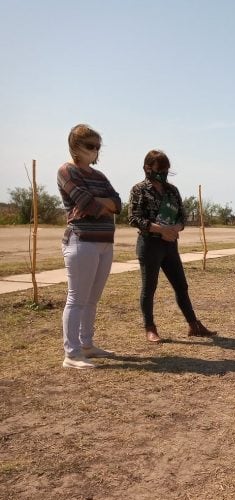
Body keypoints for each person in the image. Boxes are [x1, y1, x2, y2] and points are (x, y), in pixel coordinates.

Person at [128, 150, 216, 343]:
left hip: (170, 245)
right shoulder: (139, 190)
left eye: (166, 170)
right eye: (160, 169)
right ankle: (150, 328)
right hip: (149, 244)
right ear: (147, 168)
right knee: (149, 288)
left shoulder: (172, 191)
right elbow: (134, 218)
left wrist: (176, 227)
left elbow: (182, 217)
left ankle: (194, 325)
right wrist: (159, 229)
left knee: (181, 286)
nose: (164, 174)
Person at [57, 124, 122, 369]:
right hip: (81, 240)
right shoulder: (67, 171)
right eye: (90, 146)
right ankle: (71, 354)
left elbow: (118, 204)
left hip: (104, 242)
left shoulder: (99, 176)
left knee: (92, 298)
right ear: (75, 147)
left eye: (97, 146)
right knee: (76, 298)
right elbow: (86, 204)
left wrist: (103, 204)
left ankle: (86, 344)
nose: (95, 151)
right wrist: (103, 204)